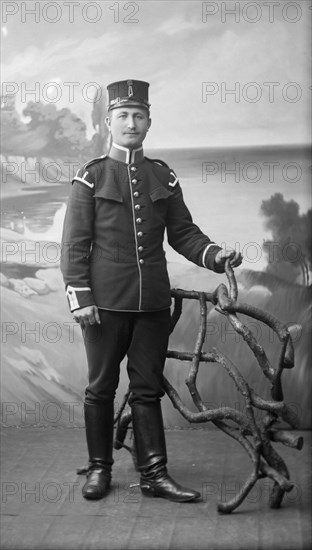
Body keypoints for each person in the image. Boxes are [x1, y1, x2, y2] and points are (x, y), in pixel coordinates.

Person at [60, 79, 242, 503]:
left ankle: (154, 475)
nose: (131, 122)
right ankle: (99, 470)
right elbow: (73, 244)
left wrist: (216, 256)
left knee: (147, 388)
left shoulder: (162, 175)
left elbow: (183, 233)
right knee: (101, 387)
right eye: (123, 115)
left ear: (149, 123)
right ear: (109, 122)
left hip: (153, 304)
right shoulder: (91, 177)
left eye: (138, 116)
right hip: (103, 305)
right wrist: (80, 298)